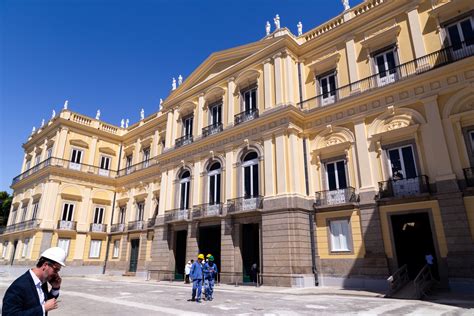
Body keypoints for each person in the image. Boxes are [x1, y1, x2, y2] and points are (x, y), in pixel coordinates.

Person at [2, 246, 66, 315]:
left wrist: (55, 288)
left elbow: (44, 302)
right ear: (45, 265)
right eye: (56, 270)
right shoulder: (19, 286)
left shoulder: (42, 282)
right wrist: (43, 309)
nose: (56, 274)